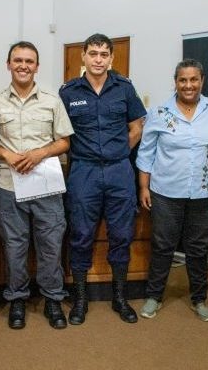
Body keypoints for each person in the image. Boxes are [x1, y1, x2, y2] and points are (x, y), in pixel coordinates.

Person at [59, 33, 146, 325]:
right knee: (81, 235)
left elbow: (136, 128)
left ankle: (119, 297)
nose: (98, 59)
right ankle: (81, 298)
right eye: (93, 53)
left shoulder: (124, 88)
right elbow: (61, 134)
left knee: (122, 234)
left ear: (111, 57)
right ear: (83, 56)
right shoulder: (68, 92)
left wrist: (118, 152)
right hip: (84, 171)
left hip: (119, 170)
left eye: (103, 54)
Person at [0, 41, 74, 330]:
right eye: (18, 60)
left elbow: (65, 141)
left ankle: (52, 298)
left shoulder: (52, 100)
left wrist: (39, 153)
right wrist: (6, 154)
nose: (23, 66)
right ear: (8, 64)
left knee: (50, 245)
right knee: (15, 246)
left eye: (29, 61)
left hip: (46, 186)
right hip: (9, 186)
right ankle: (17, 299)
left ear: (36, 66)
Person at [136, 59, 208, 322]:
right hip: (166, 191)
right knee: (163, 246)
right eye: (183, 80)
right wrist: (143, 186)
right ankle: (154, 296)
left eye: (193, 79)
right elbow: (146, 152)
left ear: (202, 81)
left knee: (198, 248)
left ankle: (199, 299)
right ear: (175, 82)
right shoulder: (159, 112)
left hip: (204, 192)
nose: (188, 85)